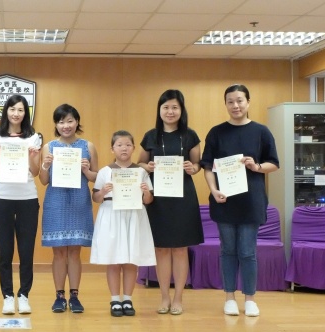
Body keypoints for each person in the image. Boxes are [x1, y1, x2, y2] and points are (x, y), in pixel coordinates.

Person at [200, 84, 279, 317]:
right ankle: (229, 298)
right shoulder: (216, 132)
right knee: (228, 250)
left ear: (248, 102)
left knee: (247, 251)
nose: (235, 105)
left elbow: (274, 163)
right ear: (225, 104)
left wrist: (256, 166)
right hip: (224, 201)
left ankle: (250, 298)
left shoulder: (261, 131)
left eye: (240, 100)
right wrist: (213, 190)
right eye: (230, 101)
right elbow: (207, 166)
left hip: (251, 201)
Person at [138, 90, 204, 316]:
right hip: (158, 198)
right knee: (161, 249)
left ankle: (178, 298)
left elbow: (197, 164)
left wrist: (193, 168)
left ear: (181, 110)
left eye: (175, 107)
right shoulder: (151, 136)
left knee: (180, 249)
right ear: (159, 110)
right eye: (165, 107)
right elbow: (140, 163)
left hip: (183, 197)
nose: (170, 112)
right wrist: (147, 167)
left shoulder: (190, 136)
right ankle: (164, 297)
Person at [39, 104, 98, 313]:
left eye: (70, 121)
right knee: (58, 253)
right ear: (56, 124)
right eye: (61, 121)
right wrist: (45, 165)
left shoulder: (88, 146)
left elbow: (96, 177)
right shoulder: (49, 147)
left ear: (77, 122)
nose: (66, 125)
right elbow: (43, 180)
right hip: (56, 201)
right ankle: (59, 296)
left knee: (74, 252)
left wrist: (87, 170)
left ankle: (74, 296)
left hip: (78, 201)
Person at [0, 94, 42, 315]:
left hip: (28, 198)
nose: (16, 113)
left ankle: (24, 295)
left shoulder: (33, 138)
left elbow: (35, 172)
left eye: (20, 110)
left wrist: (31, 156)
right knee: (5, 251)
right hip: (2, 198)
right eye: (12, 109)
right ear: (6, 111)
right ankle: (8, 296)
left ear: (25, 113)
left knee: (26, 252)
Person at [91, 130, 156, 317]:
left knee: (130, 259)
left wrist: (146, 192)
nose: (124, 148)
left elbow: (149, 200)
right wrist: (103, 192)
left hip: (134, 215)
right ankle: (115, 300)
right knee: (113, 260)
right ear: (112, 149)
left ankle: (127, 299)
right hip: (111, 215)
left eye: (128, 145)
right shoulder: (105, 171)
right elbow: (96, 198)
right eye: (119, 145)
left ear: (134, 148)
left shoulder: (141, 172)